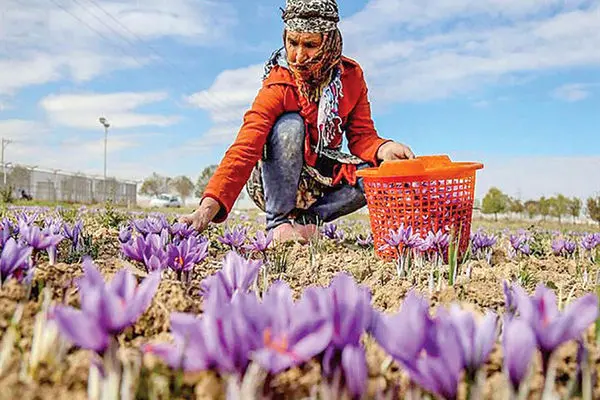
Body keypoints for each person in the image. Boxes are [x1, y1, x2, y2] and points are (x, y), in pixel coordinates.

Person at [181, 0, 415, 243]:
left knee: (375, 175)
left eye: (311, 45)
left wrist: (384, 148)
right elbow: (246, 146)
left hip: (320, 178)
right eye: (292, 42)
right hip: (273, 182)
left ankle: (307, 222)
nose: (299, 56)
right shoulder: (280, 83)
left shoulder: (350, 77)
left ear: (330, 41)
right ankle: (278, 223)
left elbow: (361, 136)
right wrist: (206, 209)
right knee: (290, 126)